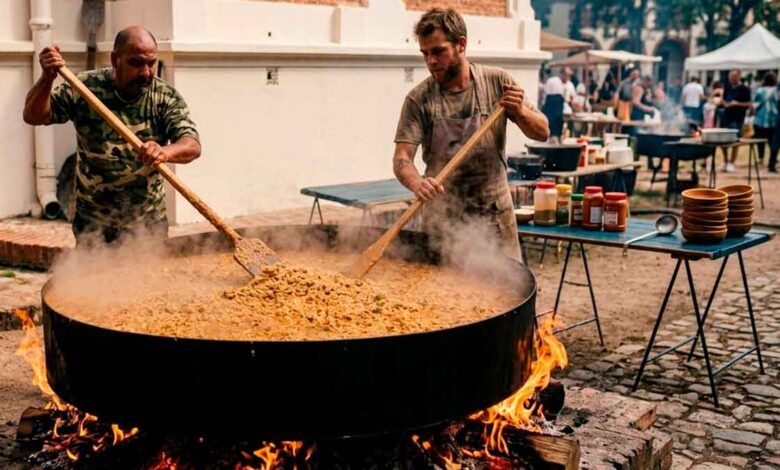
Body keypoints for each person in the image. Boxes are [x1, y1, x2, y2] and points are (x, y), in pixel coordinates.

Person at [393, 8, 548, 262]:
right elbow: (402, 158)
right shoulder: (418, 99)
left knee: (504, 293)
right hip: (442, 220)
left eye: (438, 51)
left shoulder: (498, 83)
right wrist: (416, 182)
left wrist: (520, 111)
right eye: (425, 53)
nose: (430, 61)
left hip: (493, 216)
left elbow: (542, 132)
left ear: (461, 45)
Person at [23, 26, 201, 245]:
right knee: (93, 279)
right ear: (115, 59)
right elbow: (34, 116)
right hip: (93, 224)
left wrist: (164, 151)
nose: (145, 72)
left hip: (147, 225)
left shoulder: (164, 97)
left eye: (151, 63)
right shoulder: (84, 88)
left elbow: (191, 145)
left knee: (148, 280)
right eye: (136, 63)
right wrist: (47, 79)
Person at [720, 70, 752, 172]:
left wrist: (737, 103)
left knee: (735, 140)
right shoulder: (727, 87)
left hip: (738, 117)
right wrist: (726, 104)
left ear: (738, 77)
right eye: (730, 77)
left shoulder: (745, 89)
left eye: (733, 77)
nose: (731, 79)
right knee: (722, 140)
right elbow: (724, 100)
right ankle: (725, 161)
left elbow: (748, 104)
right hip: (726, 116)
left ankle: (732, 162)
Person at [753, 72, 779, 170]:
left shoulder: (760, 91)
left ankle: (761, 159)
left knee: (760, 141)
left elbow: (755, 105)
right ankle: (772, 160)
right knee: (772, 141)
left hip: (760, 119)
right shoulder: (776, 91)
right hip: (773, 119)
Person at [542, 68, 571, 144]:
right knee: (551, 124)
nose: (567, 78)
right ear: (562, 74)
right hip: (551, 104)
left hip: (559, 105)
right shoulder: (552, 81)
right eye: (567, 75)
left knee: (559, 123)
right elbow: (546, 94)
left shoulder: (566, 84)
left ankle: (557, 138)